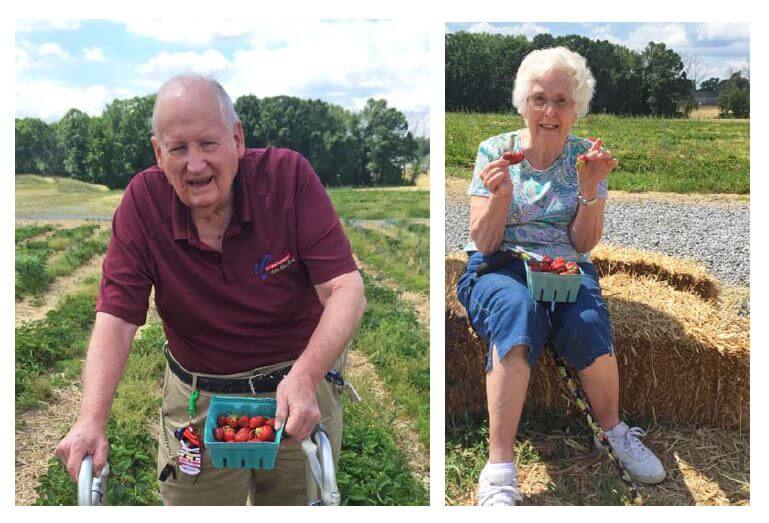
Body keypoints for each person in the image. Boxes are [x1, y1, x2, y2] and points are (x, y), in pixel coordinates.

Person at [54, 74, 366, 505]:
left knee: (298, 500)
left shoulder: (286, 178)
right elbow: (118, 316)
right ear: (158, 153)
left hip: (294, 390)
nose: (195, 164)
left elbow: (345, 289)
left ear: (237, 139)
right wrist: (91, 419)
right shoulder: (143, 204)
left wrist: (307, 375)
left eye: (208, 144)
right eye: (178, 148)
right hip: (200, 398)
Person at [455, 47, 665, 506]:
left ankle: (612, 433)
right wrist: (500, 197)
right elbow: (485, 243)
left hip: (566, 265)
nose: (550, 111)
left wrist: (589, 190)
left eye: (562, 101)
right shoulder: (494, 152)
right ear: (522, 102)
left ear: (577, 108)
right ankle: (500, 466)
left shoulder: (587, 158)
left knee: (588, 324)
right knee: (518, 313)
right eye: (539, 98)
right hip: (501, 263)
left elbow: (585, 243)